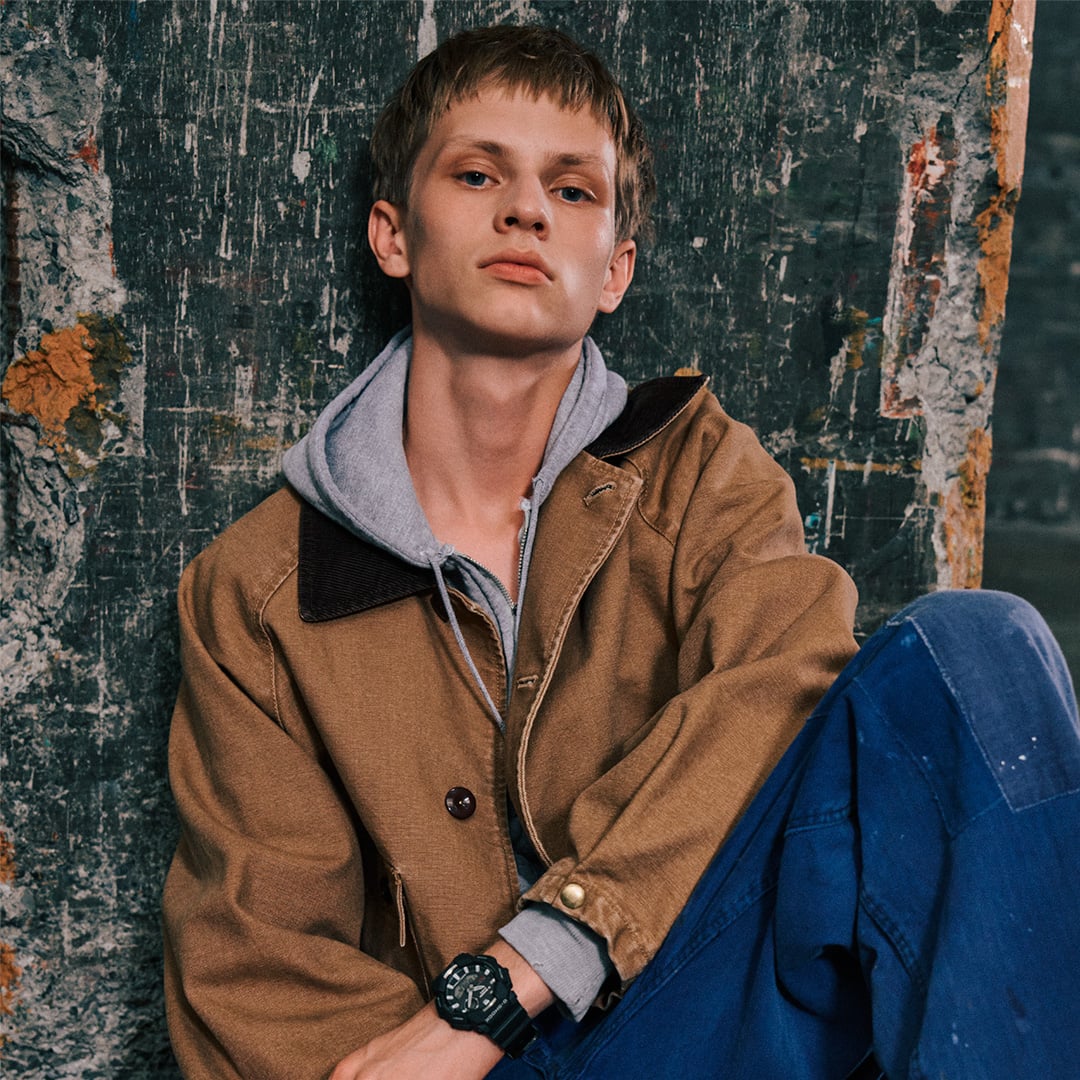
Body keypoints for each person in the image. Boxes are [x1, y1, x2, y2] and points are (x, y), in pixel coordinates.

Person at [162, 25, 1080, 1080]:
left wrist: (520, 971)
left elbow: (785, 686)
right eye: (477, 174)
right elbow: (255, 967)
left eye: (573, 190)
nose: (526, 211)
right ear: (393, 235)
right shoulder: (259, 591)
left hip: (705, 1016)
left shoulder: (699, 474)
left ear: (615, 271)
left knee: (978, 645)